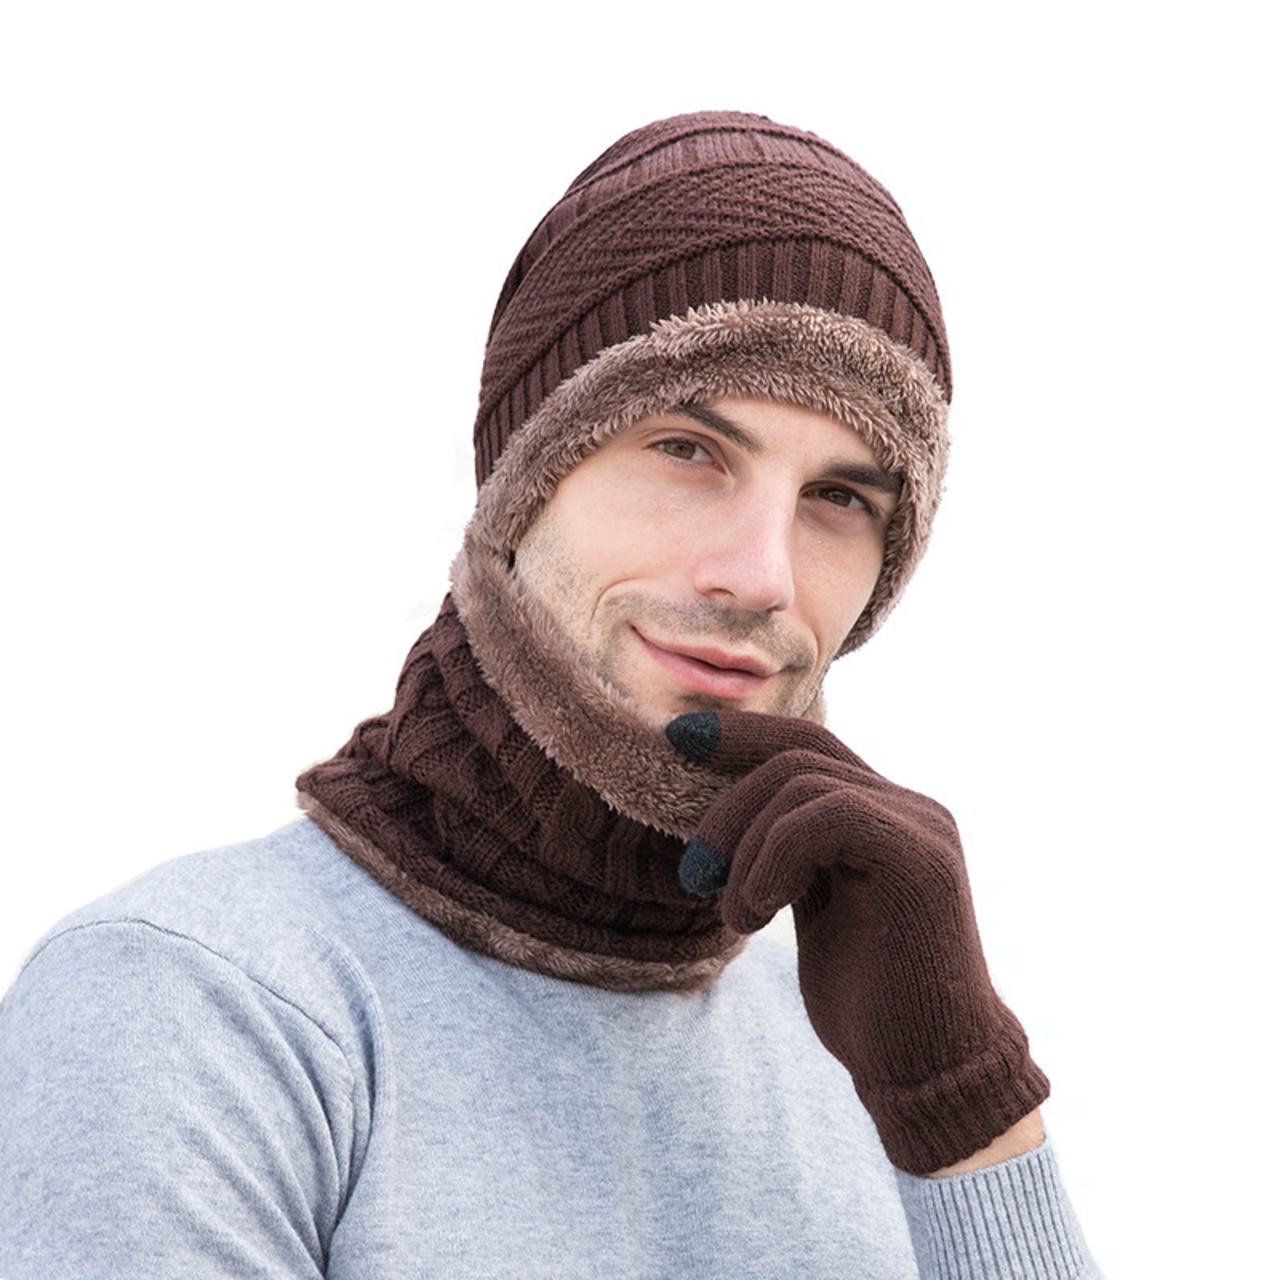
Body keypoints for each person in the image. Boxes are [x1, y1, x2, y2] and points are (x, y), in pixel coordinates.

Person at [0, 111, 1100, 1277]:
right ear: (524, 477)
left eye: (839, 497)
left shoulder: (863, 1039)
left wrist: (959, 1100)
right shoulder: (199, 995)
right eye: (686, 449)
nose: (762, 574)